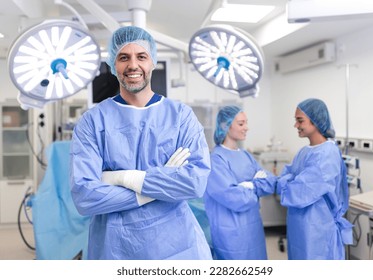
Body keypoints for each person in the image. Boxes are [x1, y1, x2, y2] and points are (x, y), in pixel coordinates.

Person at [69, 25, 212, 260]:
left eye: (141, 56)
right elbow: (85, 196)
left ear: (153, 61)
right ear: (113, 65)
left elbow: (194, 183)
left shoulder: (181, 117)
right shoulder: (93, 121)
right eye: (124, 57)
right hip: (115, 248)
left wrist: (123, 178)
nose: (133, 65)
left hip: (176, 248)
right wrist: (161, 184)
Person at [276, 98, 353, 260]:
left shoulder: (327, 154)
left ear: (316, 121)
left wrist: (287, 181)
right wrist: (288, 180)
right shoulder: (304, 151)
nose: (295, 125)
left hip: (317, 228)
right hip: (299, 226)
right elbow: (287, 177)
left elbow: (298, 190)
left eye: (300, 120)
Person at [203, 105, 276, 260]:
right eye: (241, 124)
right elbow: (235, 198)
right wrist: (256, 185)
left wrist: (249, 185)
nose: (247, 128)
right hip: (230, 233)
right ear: (226, 126)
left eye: (246, 123)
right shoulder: (216, 160)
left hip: (253, 227)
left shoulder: (246, 156)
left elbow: (270, 182)